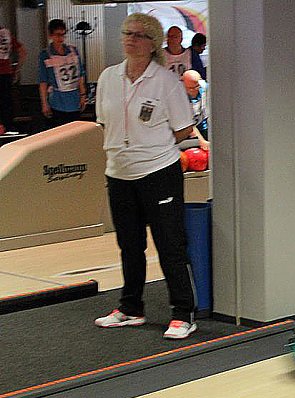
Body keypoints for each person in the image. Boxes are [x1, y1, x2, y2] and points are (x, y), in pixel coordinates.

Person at [94, 13, 198, 340]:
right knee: (129, 245)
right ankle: (130, 308)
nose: (130, 38)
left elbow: (183, 129)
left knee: (169, 244)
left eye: (138, 34)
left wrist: (150, 146)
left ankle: (183, 313)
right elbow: (103, 123)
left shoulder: (166, 81)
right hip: (118, 173)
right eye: (127, 33)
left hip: (158, 173)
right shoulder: (109, 78)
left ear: (152, 43)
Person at [38, 19, 87, 128]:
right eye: (57, 35)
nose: (61, 38)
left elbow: (80, 75)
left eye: (63, 34)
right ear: (51, 35)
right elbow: (43, 81)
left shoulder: (73, 51)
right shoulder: (45, 55)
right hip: (57, 102)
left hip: (74, 100)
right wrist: (44, 103)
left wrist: (83, 95)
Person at [0, 22, 25, 132]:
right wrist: (17, 69)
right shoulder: (6, 33)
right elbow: (22, 51)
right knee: (6, 103)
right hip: (6, 73)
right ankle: (7, 128)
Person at [182, 69, 209, 150]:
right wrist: (202, 141)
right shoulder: (179, 96)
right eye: (191, 88)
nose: (195, 89)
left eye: (197, 86)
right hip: (188, 131)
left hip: (204, 125)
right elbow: (189, 125)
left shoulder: (205, 86)